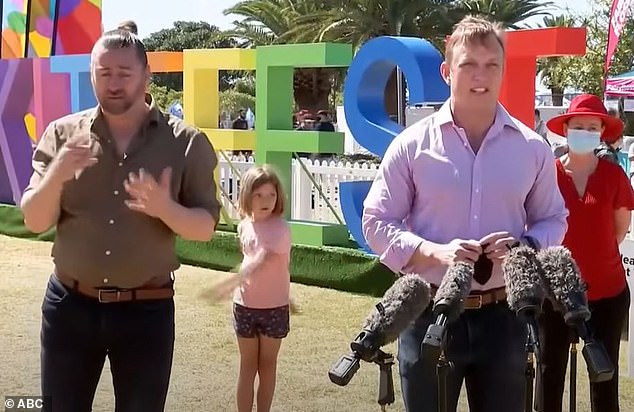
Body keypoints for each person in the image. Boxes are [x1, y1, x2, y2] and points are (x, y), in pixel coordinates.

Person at [361, 15, 568, 412]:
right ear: (446, 70)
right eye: (468, 64)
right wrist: (433, 253)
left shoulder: (532, 149)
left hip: (506, 319)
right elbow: (376, 221)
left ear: (503, 71)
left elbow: (553, 219)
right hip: (428, 314)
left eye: (492, 65)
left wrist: (524, 247)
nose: (481, 75)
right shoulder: (411, 146)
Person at [20, 29, 220, 411]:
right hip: (69, 308)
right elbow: (34, 220)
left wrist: (165, 208)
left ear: (147, 76)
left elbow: (205, 227)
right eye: (104, 72)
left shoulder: (186, 142)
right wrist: (58, 173)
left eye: (124, 73)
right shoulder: (62, 135)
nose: (113, 82)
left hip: (146, 312)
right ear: (91, 74)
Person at [536, 94, 634, 412]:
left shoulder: (614, 177)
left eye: (593, 127)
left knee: (604, 379)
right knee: (549, 375)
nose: (585, 132)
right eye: (579, 126)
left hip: (607, 294)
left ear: (601, 133)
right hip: (554, 295)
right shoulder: (546, 176)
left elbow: (617, 233)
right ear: (565, 129)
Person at [223, 165, 292, 412]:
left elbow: (263, 258)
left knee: (267, 365)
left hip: (274, 308)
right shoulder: (243, 226)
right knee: (247, 365)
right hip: (244, 306)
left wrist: (229, 281)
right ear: (247, 196)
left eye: (271, 195)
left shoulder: (282, 229)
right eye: (259, 195)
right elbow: (249, 258)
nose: (266, 201)